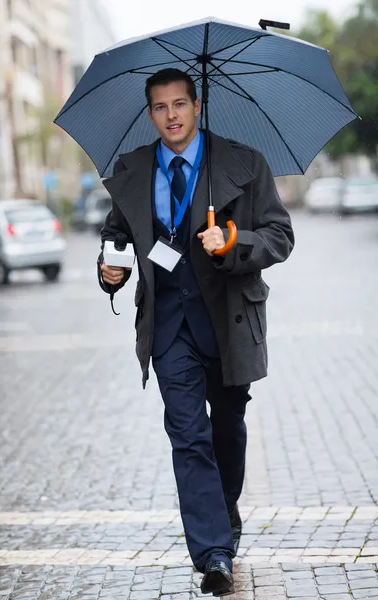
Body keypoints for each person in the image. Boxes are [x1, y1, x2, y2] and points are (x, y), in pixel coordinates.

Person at [98, 68, 294, 597]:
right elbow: (116, 237)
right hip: (168, 325)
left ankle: (223, 513)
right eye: (160, 108)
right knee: (188, 435)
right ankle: (213, 553)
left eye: (180, 104)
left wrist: (232, 242)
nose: (172, 116)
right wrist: (109, 269)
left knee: (226, 429)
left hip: (227, 320)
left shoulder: (244, 163)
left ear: (197, 105)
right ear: (150, 113)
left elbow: (280, 236)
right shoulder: (132, 170)